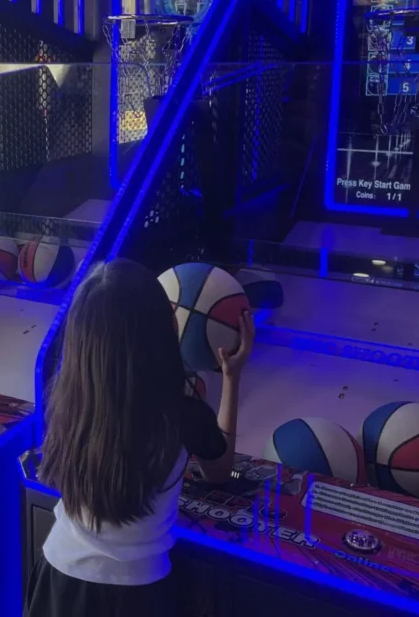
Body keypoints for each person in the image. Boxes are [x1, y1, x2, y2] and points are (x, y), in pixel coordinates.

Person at [27, 258, 254, 616]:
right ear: (161, 332)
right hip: (138, 592)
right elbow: (219, 471)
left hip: (58, 576)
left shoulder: (70, 401)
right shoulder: (183, 414)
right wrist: (231, 376)